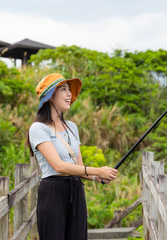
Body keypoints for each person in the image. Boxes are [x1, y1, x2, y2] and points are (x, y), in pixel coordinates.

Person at [26, 73, 118, 240]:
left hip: (76, 190)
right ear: (51, 96)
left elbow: (79, 167)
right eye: (64, 89)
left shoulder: (72, 127)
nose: (69, 94)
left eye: (70, 90)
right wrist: (98, 169)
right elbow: (59, 166)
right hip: (53, 191)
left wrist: (97, 177)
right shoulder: (38, 128)